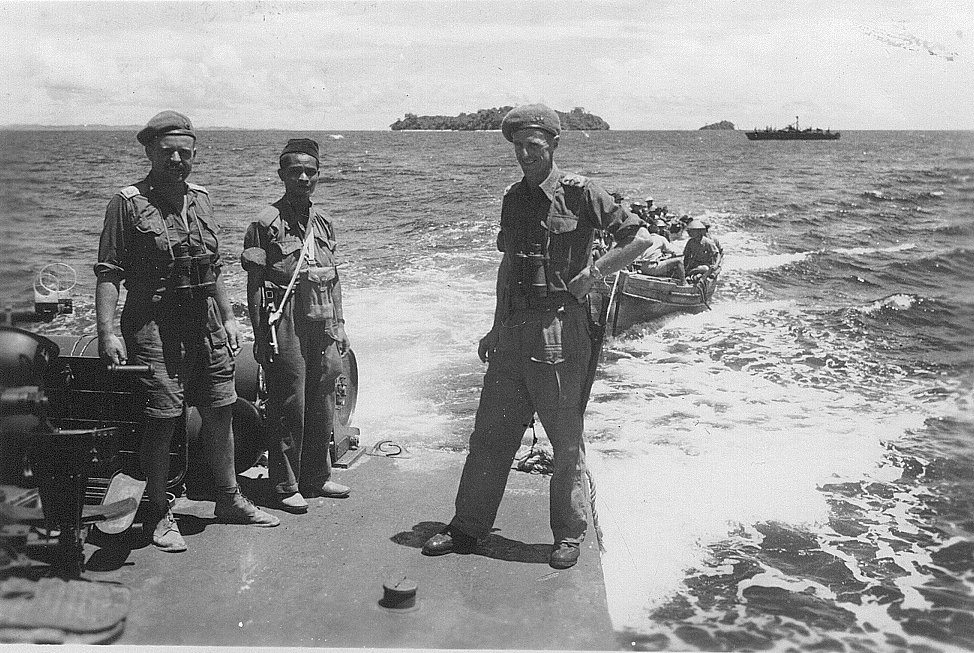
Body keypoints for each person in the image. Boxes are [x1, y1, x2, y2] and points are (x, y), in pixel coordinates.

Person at [422, 104, 652, 570]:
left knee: (565, 441)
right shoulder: (513, 198)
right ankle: (468, 525)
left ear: (553, 145)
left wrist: (594, 272)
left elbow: (640, 238)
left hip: (559, 332)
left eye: (534, 146)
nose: (525, 154)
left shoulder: (581, 193)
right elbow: (509, 267)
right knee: (489, 435)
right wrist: (494, 326)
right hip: (513, 332)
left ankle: (568, 533)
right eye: (518, 146)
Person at [95, 110, 279, 553]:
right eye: (168, 152)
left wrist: (229, 317)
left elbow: (211, 267)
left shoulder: (201, 198)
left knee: (220, 409)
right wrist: (107, 332)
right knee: (162, 419)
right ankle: (159, 511)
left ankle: (229, 499)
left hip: (206, 322)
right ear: (149, 152)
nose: (177, 160)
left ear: (194, 154)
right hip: (153, 325)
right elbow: (108, 272)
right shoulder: (127, 203)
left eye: (185, 152)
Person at [241, 139, 351, 515]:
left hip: (321, 316)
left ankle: (317, 476)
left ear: (318, 176)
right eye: (295, 172)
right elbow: (255, 284)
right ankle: (286, 484)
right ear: (282, 175)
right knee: (291, 401)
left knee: (323, 396)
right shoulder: (264, 223)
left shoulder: (324, 222)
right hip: (285, 317)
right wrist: (260, 335)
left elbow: (332, 278)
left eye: (310, 172)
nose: (304, 178)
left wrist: (340, 324)